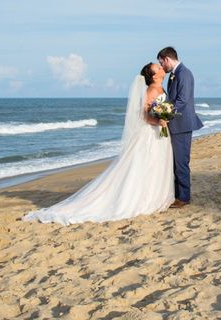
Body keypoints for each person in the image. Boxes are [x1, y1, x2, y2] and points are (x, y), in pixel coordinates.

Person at [23, 64, 174, 225]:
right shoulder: (150, 90)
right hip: (150, 133)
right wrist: (159, 120)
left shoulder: (161, 88)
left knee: (156, 164)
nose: (161, 68)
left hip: (159, 133)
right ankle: (143, 198)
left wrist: (164, 118)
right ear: (154, 76)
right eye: (157, 68)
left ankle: (156, 196)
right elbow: (143, 115)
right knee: (146, 165)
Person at [157, 47, 203, 208]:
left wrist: (164, 112)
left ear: (167, 59)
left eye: (161, 63)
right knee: (176, 162)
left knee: (181, 162)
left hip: (182, 124)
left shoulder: (184, 73)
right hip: (177, 123)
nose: (162, 67)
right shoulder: (175, 74)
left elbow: (182, 101)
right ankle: (178, 195)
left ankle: (183, 197)